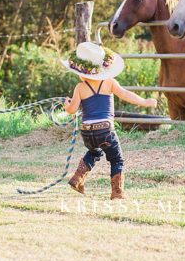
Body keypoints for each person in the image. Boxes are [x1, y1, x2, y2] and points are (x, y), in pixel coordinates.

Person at [62, 42, 157, 200]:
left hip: (87, 131)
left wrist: (67, 105)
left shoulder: (80, 87)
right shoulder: (109, 82)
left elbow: (72, 110)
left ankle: (77, 178)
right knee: (116, 159)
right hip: (105, 130)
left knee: (94, 151)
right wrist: (145, 102)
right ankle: (117, 192)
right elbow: (126, 95)